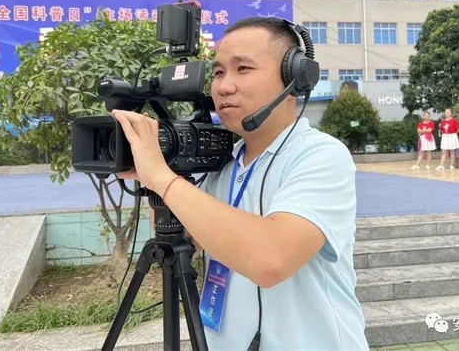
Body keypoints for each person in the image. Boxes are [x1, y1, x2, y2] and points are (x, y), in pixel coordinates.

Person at [112, 17, 369, 350]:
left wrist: (164, 179)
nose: (223, 86)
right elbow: (185, 238)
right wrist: (159, 173)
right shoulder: (223, 163)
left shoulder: (321, 156)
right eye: (219, 72)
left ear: (294, 78)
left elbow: (270, 260)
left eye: (243, 69)